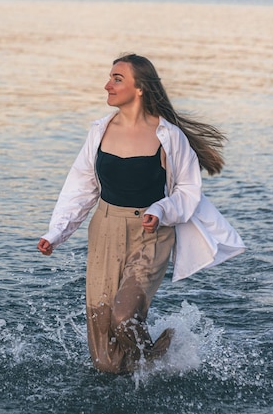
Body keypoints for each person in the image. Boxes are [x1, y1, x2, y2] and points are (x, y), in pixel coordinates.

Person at [37, 53, 245, 374]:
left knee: (123, 316)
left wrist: (161, 210)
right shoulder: (99, 131)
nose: (108, 84)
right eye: (110, 77)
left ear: (140, 89)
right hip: (105, 229)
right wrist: (56, 233)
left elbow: (188, 191)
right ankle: (150, 360)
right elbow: (80, 187)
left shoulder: (168, 137)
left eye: (117, 79)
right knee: (105, 362)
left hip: (151, 233)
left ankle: (152, 362)